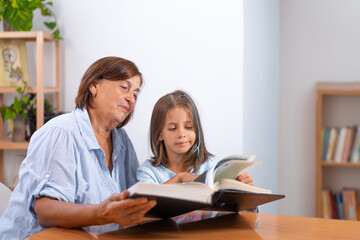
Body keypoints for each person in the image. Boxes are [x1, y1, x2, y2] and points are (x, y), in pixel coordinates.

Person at [0, 56, 156, 240]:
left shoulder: (121, 140)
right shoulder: (61, 133)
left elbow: (135, 199)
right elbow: (45, 212)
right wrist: (101, 213)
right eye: (124, 87)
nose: (131, 99)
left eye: (135, 94)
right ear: (94, 86)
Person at [137, 90, 254, 186]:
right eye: (172, 128)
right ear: (159, 134)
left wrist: (238, 186)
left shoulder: (207, 167)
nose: (182, 134)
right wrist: (180, 178)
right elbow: (147, 203)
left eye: (188, 127)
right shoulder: (147, 171)